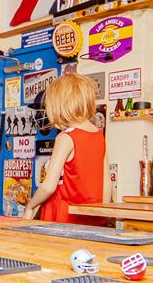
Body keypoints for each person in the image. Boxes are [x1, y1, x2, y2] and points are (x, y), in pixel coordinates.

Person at [24, 73, 106, 223]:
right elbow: (106, 187)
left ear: (59, 106)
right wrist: (102, 216)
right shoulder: (99, 136)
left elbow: (48, 187)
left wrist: (29, 206)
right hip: (91, 216)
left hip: (63, 215)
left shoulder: (66, 138)